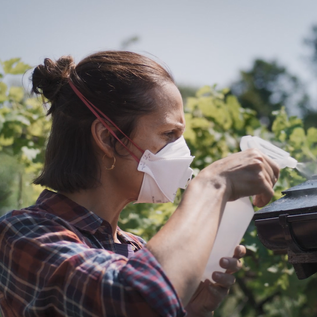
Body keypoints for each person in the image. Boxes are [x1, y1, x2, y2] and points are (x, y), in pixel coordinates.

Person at [0, 51, 279, 317]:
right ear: (109, 139)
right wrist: (211, 185)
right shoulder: (21, 234)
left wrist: (190, 310)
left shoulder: (137, 250)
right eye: (169, 134)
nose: (182, 152)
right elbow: (134, 301)